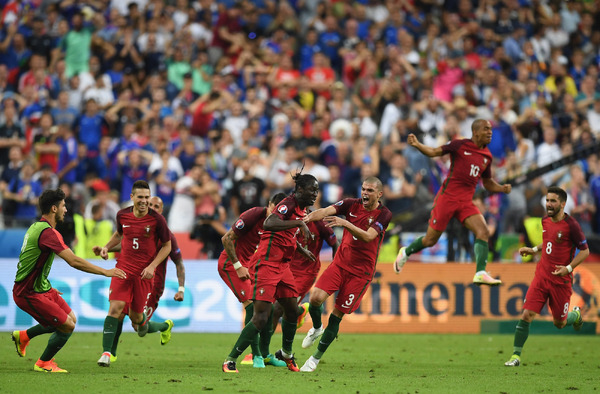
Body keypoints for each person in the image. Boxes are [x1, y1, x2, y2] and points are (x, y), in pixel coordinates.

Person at [11, 188, 125, 373]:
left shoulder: (36, 227)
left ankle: (24, 336)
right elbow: (73, 260)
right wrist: (105, 272)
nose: (66, 210)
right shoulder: (48, 233)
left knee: (71, 318)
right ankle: (43, 363)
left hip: (39, 288)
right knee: (66, 325)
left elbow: (32, 263)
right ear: (54, 209)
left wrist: (46, 286)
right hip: (28, 292)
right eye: (63, 206)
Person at [394, 119, 512, 286]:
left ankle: (480, 272)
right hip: (447, 198)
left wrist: (501, 188)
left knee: (483, 231)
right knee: (430, 240)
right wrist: (418, 145)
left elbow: (487, 183)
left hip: (466, 202)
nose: (490, 132)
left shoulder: (487, 156)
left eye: (491, 129)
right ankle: (405, 252)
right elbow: (434, 152)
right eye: (486, 129)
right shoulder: (459, 145)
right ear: (476, 132)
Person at [222, 172, 319, 373]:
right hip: (267, 264)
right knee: (261, 317)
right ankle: (230, 360)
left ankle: (286, 354)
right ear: (300, 189)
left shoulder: (302, 208)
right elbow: (270, 223)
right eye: (312, 189)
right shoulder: (288, 204)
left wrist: (302, 250)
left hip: (283, 267)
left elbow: (288, 236)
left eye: (317, 190)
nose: (315, 194)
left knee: (292, 310)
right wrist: (300, 223)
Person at [298, 176, 392, 372]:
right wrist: (304, 218)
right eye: (364, 189)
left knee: (337, 314)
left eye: (370, 191)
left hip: (361, 273)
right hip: (340, 264)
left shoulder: (384, 214)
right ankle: (316, 328)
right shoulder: (350, 204)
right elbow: (325, 212)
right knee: (315, 298)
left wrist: (345, 223)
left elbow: (368, 237)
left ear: (379, 194)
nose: (365, 193)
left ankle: (315, 359)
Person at [94, 196, 186, 362]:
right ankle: (110, 353)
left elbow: (179, 263)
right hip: (131, 276)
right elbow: (125, 244)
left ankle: (165, 326)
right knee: (118, 312)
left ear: (161, 210)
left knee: (138, 327)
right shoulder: (140, 226)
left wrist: (181, 289)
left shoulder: (167, 236)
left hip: (152, 285)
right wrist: (105, 248)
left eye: (156, 206)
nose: (152, 207)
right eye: (150, 204)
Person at [504, 186, 588, 367]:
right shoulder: (545, 221)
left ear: (563, 204)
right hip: (541, 276)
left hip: (561, 281)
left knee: (560, 322)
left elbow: (585, 251)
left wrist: (568, 268)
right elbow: (550, 241)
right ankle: (515, 356)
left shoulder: (571, 225)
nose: (548, 204)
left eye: (553, 201)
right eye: (547, 200)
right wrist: (533, 249)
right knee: (527, 314)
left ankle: (576, 315)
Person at [218, 192, 287, 368]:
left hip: (250, 266)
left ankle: (265, 354)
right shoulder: (253, 215)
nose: (275, 213)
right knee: (252, 305)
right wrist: (237, 265)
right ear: (269, 204)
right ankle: (255, 355)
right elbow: (226, 238)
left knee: (269, 307)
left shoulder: (278, 223)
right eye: (273, 208)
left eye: (279, 211)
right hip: (231, 264)